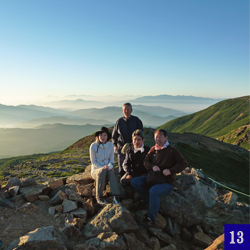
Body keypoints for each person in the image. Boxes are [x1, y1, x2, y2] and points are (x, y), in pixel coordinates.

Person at [131, 129, 188, 227]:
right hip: (152, 179)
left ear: (166, 138)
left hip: (166, 182)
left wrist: (171, 171)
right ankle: (148, 200)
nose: (158, 139)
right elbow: (146, 162)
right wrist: (152, 166)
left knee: (154, 191)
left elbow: (184, 163)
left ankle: (150, 218)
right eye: (156, 137)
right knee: (134, 182)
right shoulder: (153, 149)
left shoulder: (172, 150)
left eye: (160, 137)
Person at [90, 127, 120, 206]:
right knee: (102, 171)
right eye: (101, 135)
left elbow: (112, 160)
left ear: (107, 137)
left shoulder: (110, 146)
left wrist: (110, 166)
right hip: (97, 169)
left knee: (111, 172)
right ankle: (99, 197)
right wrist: (101, 167)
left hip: (107, 168)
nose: (102, 137)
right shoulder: (93, 146)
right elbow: (93, 162)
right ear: (98, 136)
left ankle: (115, 197)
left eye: (104, 135)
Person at [112, 103, 143, 177]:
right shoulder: (119, 121)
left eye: (128, 109)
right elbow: (114, 134)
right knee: (121, 164)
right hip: (121, 146)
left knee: (132, 164)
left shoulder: (136, 120)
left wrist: (136, 143)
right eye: (125, 109)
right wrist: (115, 145)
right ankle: (122, 179)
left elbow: (140, 133)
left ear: (131, 110)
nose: (126, 111)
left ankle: (131, 178)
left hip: (134, 147)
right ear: (122, 111)